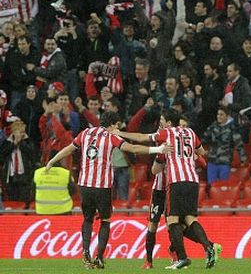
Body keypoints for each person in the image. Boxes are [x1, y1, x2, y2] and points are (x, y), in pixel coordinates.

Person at [45, 111, 171, 269]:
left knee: (88, 219)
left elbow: (69, 149)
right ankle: (99, 257)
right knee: (105, 220)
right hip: (102, 186)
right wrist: (157, 149)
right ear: (113, 125)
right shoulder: (111, 137)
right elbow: (133, 148)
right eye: (117, 126)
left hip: (84, 184)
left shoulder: (85, 133)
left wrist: (52, 161)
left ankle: (85, 250)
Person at [115, 109, 221, 270]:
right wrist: (190, 155)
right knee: (190, 219)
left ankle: (183, 258)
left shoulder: (166, 135)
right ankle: (209, 247)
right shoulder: (190, 132)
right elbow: (202, 153)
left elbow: (142, 138)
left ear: (170, 123)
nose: (160, 123)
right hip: (192, 180)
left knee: (172, 220)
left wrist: (120, 133)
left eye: (163, 120)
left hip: (176, 182)